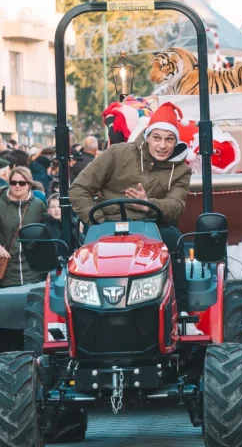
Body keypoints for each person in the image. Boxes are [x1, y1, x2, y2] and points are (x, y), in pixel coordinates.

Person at [69, 102, 191, 303]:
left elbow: (176, 205)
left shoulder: (181, 171)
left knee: (174, 240)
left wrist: (148, 204)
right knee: (81, 255)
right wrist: (97, 219)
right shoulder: (117, 153)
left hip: (152, 229)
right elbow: (79, 189)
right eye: (157, 138)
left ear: (175, 142)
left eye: (169, 139)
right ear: (147, 136)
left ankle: (182, 308)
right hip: (106, 225)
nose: (162, 146)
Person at [0, 167, 47, 288]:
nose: (17, 186)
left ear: (29, 185)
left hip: (31, 270)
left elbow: (48, 227)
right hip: (7, 269)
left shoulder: (38, 205)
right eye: (13, 182)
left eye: (21, 183)